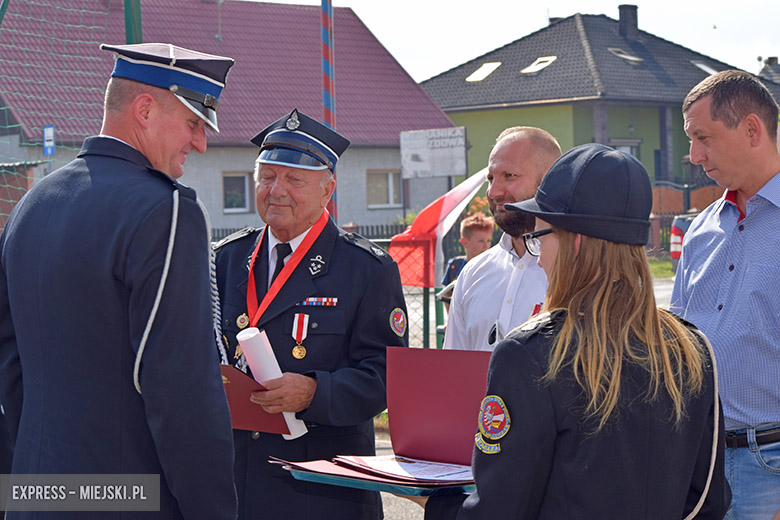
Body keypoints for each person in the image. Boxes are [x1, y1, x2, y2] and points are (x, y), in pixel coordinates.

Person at [409, 143, 730, 518]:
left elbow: (499, 511)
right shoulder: (690, 348)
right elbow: (709, 501)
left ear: (574, 242)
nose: (538, 253)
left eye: (539, 235)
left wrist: (433, 505)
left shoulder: (530, 355)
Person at [0, 43, 238, 518]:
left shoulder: (32, 203)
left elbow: (10, 372)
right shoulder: (167, 210)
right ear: (145, 110)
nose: (200, 143)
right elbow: (182, 394)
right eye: (193, 123)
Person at [213, 108, 409, 520]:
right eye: (267, 177)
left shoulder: (367, 269)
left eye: (294, 179)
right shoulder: (226, 259)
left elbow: (390, 375)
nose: (276, 190)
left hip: (322, 489)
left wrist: (316, 393)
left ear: (328, 189)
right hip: (237, 482)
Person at [671, 70, 780, 519]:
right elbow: (678, 343)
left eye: (703, 137)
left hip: (770, 468)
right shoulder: (701, 229)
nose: (693, 155)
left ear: (752, 129)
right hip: (699, 464)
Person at [443, 127, 560, 351]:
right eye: (490, 178)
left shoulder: (580, 271)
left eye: (509, 176)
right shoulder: (472, 273)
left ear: (549, 179)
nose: (493, 192)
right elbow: (454, 372)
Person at [438, 213, 494, 312]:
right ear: (465, 242)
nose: (486, 246)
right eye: (481, 241)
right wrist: (451, 319)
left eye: (488, 240)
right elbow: (447, 293)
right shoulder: (455, 265)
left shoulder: (493, 266)